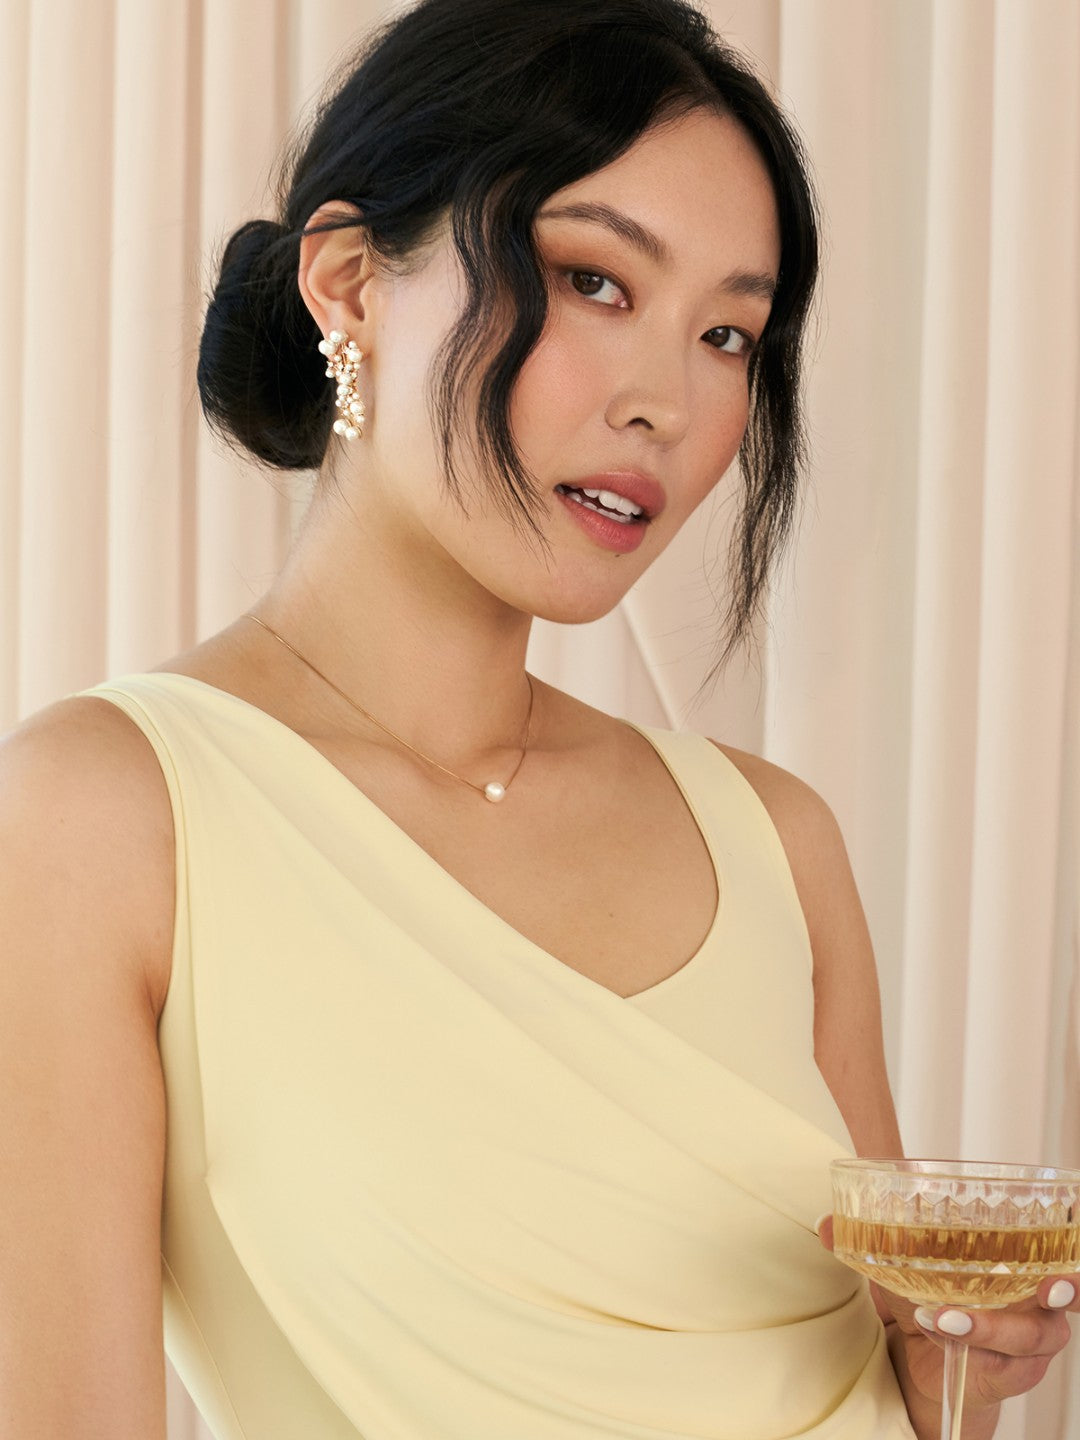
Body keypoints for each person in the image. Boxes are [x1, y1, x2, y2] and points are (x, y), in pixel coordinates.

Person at [1, 1, 1075, 1436]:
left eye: (727, 334)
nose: (670, 405)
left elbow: (901, 1400)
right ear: (349, 285)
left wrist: (965, 1359)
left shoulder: (774, 840)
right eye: (593, 281)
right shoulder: (103, 820)